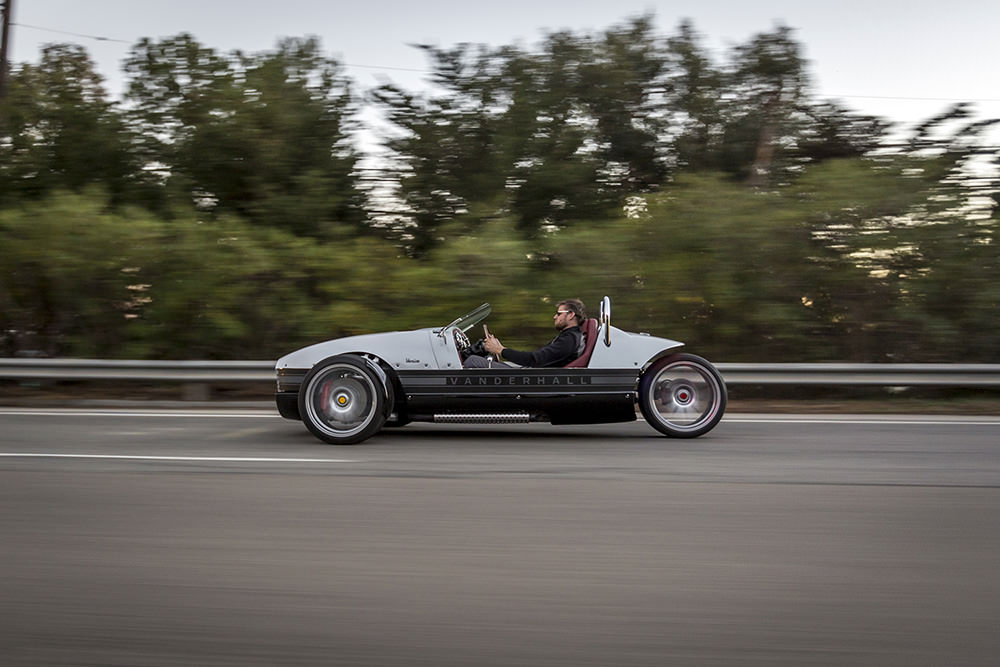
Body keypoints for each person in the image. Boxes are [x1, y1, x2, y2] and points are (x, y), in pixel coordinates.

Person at [463, 299, 586, 368]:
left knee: (473, 361)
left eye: (559, 314)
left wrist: (500, 350)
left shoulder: (569, 340)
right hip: (530, 373)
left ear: (571, 315)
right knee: (484, 360)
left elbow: (534, 359)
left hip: (533, 379)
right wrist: (500, 349)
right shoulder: (568, 337)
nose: (555, 317)